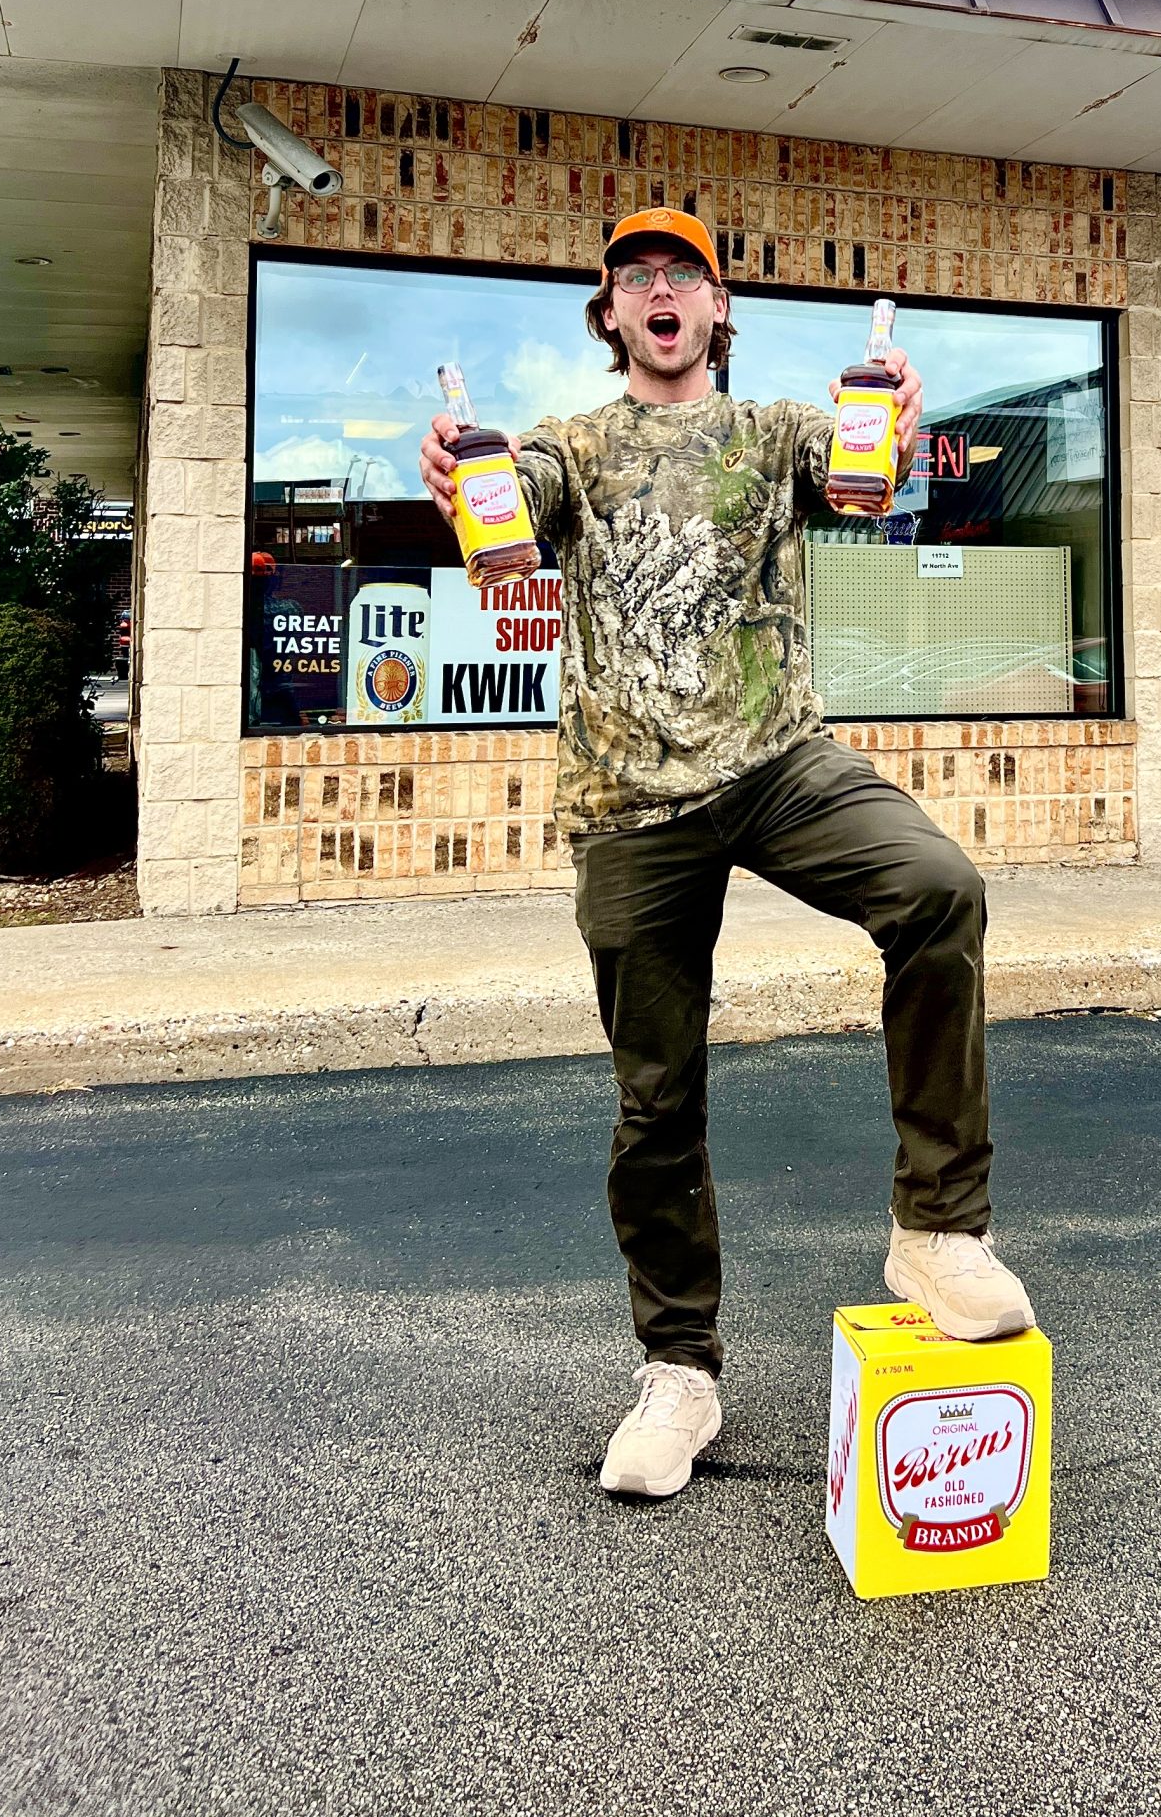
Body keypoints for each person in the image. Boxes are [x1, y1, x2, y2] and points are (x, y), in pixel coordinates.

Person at [420, 207, 1033, 1502]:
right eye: (635, 277)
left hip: (779, 765)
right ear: (610, 316)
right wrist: (464, 479)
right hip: (630, 803)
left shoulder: (773, 434)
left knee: (938, 889)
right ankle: (679, 1372)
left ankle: (938, 1230)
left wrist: (893, 435)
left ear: (714, 312)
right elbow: (507, 520)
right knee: (657, 1097)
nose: (659, 292)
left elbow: (861, 488)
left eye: (681, 276)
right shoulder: (568, 447)